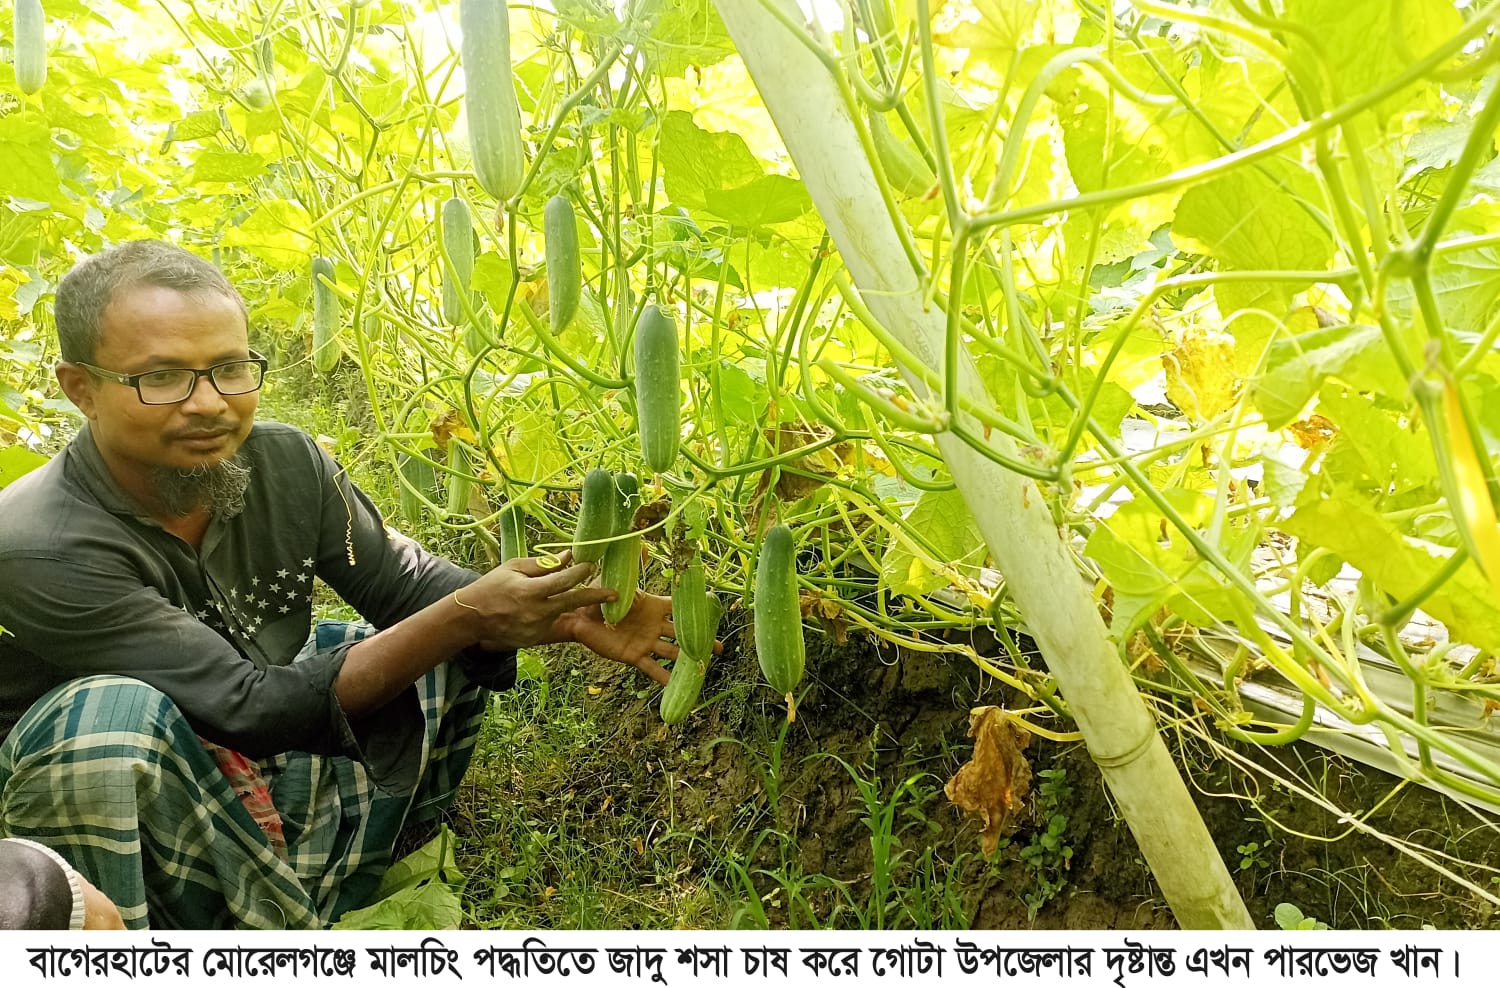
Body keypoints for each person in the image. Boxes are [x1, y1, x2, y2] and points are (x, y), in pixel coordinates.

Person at [0, 240, 677, 929]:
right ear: (79, 387)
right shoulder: (37, 543)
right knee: (105, 726)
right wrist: (470, 614)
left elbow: (404, 582)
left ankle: (309, 893)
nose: (209, 404)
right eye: (163, 378)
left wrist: (563, 608)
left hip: (247, 751)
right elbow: (249, 708)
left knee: (409, 644)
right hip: (135, 806)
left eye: (230, 368)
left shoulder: (285, 459)